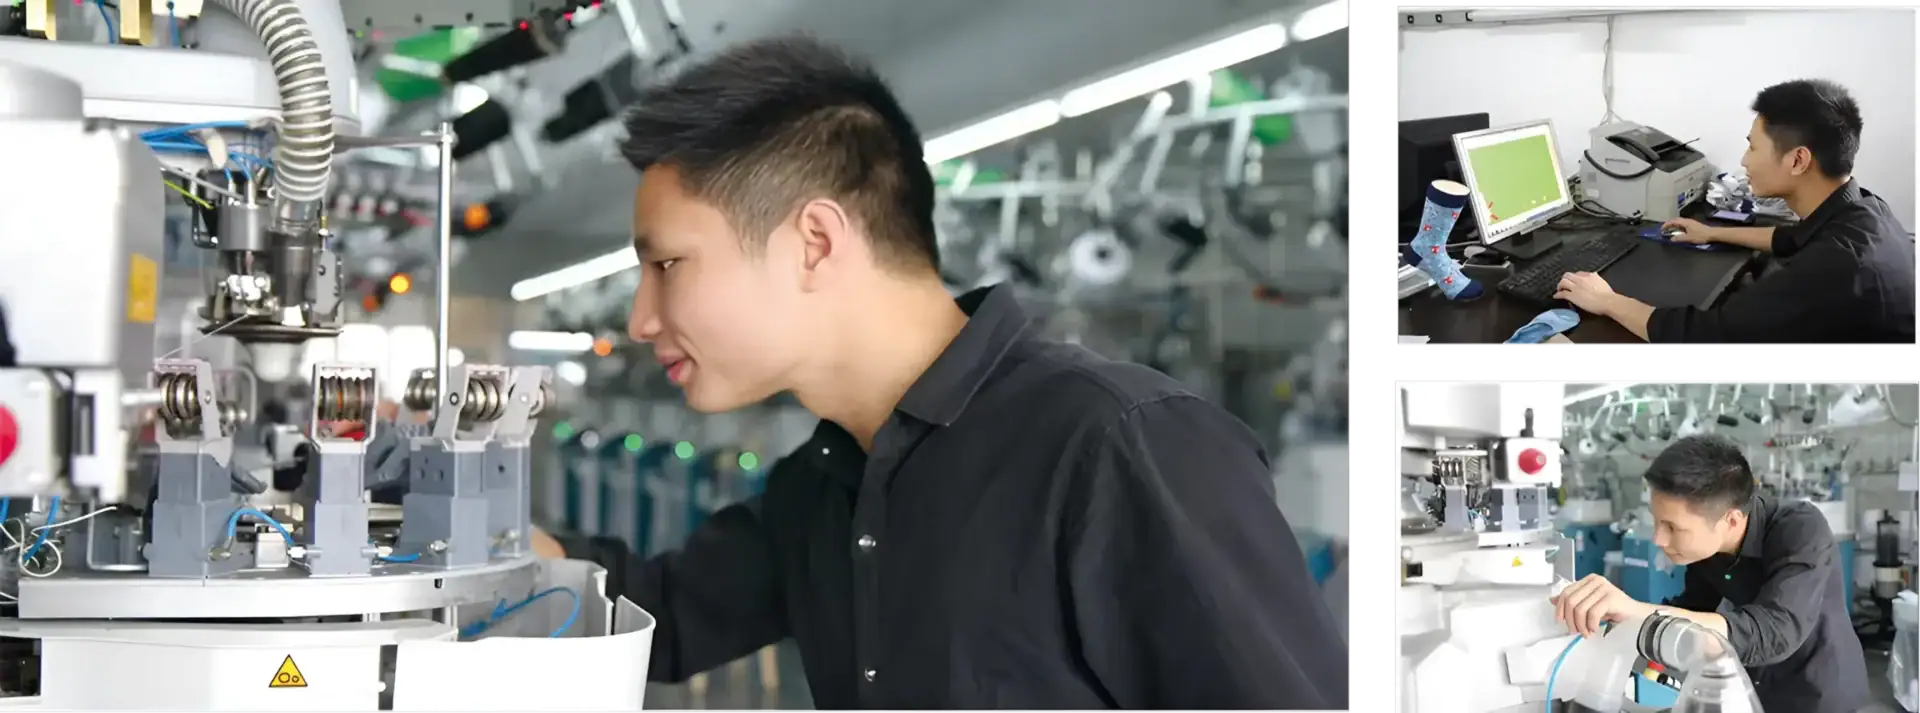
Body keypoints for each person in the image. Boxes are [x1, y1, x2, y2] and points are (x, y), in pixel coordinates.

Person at [526, 35, 1348, 709]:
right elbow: (665, 614)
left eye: (667, 264)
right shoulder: (823, 488)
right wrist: (484, 539)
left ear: (815, 242)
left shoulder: (1120, 448)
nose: (642, 318)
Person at [1554, 79, 1915, 345]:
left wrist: (1608, 301)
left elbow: (1705, 337)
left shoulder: (1835, 267)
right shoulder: (1863, 209)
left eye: (1752, 148)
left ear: (1798, 160)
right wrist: (1711, 232)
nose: (1744, 161)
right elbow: (1790, 238)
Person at [1550, 435, 1868, 713]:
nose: (1658, 539)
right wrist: (1615, 623)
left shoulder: (1800, 529)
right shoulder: (1707, 549)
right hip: (1752, 688)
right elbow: (1694, 609)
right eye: (1657, 521)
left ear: (1731, 520)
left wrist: (1637, 612)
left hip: (1816, 691)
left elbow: (1772, 631)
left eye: (1672, 527)